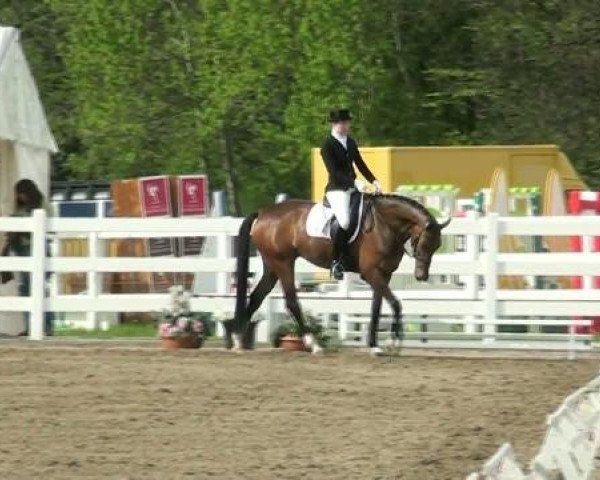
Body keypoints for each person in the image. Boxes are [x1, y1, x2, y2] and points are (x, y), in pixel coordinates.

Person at [320, 108, 382, 280]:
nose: (346, 125)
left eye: (347, 122)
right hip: (337, 189)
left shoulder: (351, 142)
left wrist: (373, 180)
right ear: (334, 124)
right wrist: (354, 182)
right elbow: (334, 172)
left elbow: (360, 164)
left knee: (369, 214)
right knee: (345, 222)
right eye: (342, 123)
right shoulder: (327, 145)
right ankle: (335, 261)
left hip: (354, 188)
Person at [0, 179, 53, 335]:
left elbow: (48, 224)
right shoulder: (23, 207)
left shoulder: (42, 204)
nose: (20, 197)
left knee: (37, 289)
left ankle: (45, 328)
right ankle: (31, 327)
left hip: (35, 249)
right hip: (23, 249)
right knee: (25, 289)